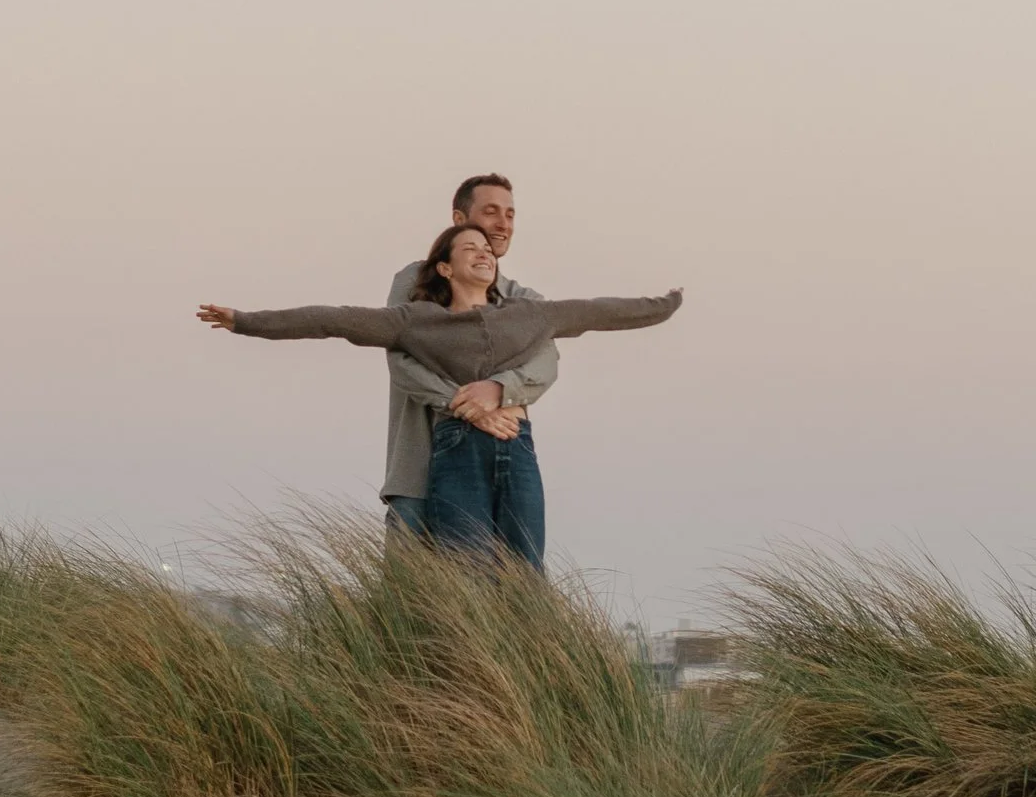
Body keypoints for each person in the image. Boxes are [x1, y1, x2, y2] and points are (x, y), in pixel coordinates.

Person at [197, 231, 683, 569]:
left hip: (517, 449)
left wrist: (665, 304)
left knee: (525, 577)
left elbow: (599, 312)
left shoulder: (530, 314)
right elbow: (333, 320)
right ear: (446, 268)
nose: (484, 253)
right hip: (455, 452)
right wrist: (246, 321)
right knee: (466, 574)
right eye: (470, 247)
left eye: (488, 250)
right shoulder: (417, 320)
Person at [380, 173, 553, 541]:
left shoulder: (524, 300)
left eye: (510, 214)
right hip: (417, 469)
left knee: (514, 572)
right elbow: (402, 361)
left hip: (502, 465)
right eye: (490, 212)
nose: (502, 224)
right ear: (458, 220)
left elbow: (545, 363)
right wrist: (468, 407)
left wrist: (499, 389)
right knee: (409, 576)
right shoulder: (415, 280)